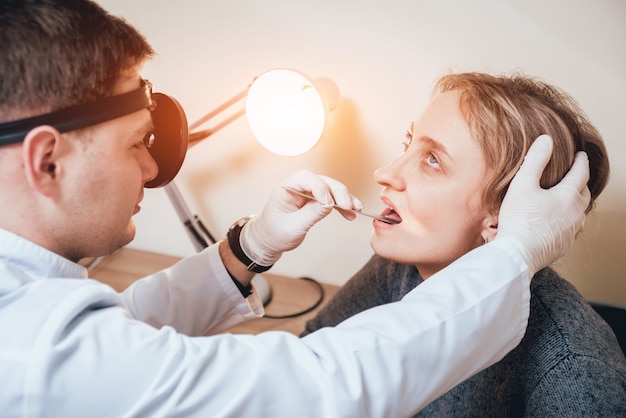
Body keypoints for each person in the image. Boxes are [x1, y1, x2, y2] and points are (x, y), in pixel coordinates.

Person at [0, 1, 591, 416]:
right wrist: (514, 253)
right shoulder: (38, 349)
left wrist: (250, 247)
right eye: (136, 144)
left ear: (505, 208)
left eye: (432, 159)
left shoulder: (579, 374)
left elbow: (125, 327)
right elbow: (320, 387)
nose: (153, 169)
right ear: (46, 161)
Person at [303, 72, 626, 416]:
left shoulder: (573, 370)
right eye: (408, 143)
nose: (385, 172)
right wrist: (250, 248)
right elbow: (310, 365)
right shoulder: (401, 265)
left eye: (433, 160)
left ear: (505, 215)